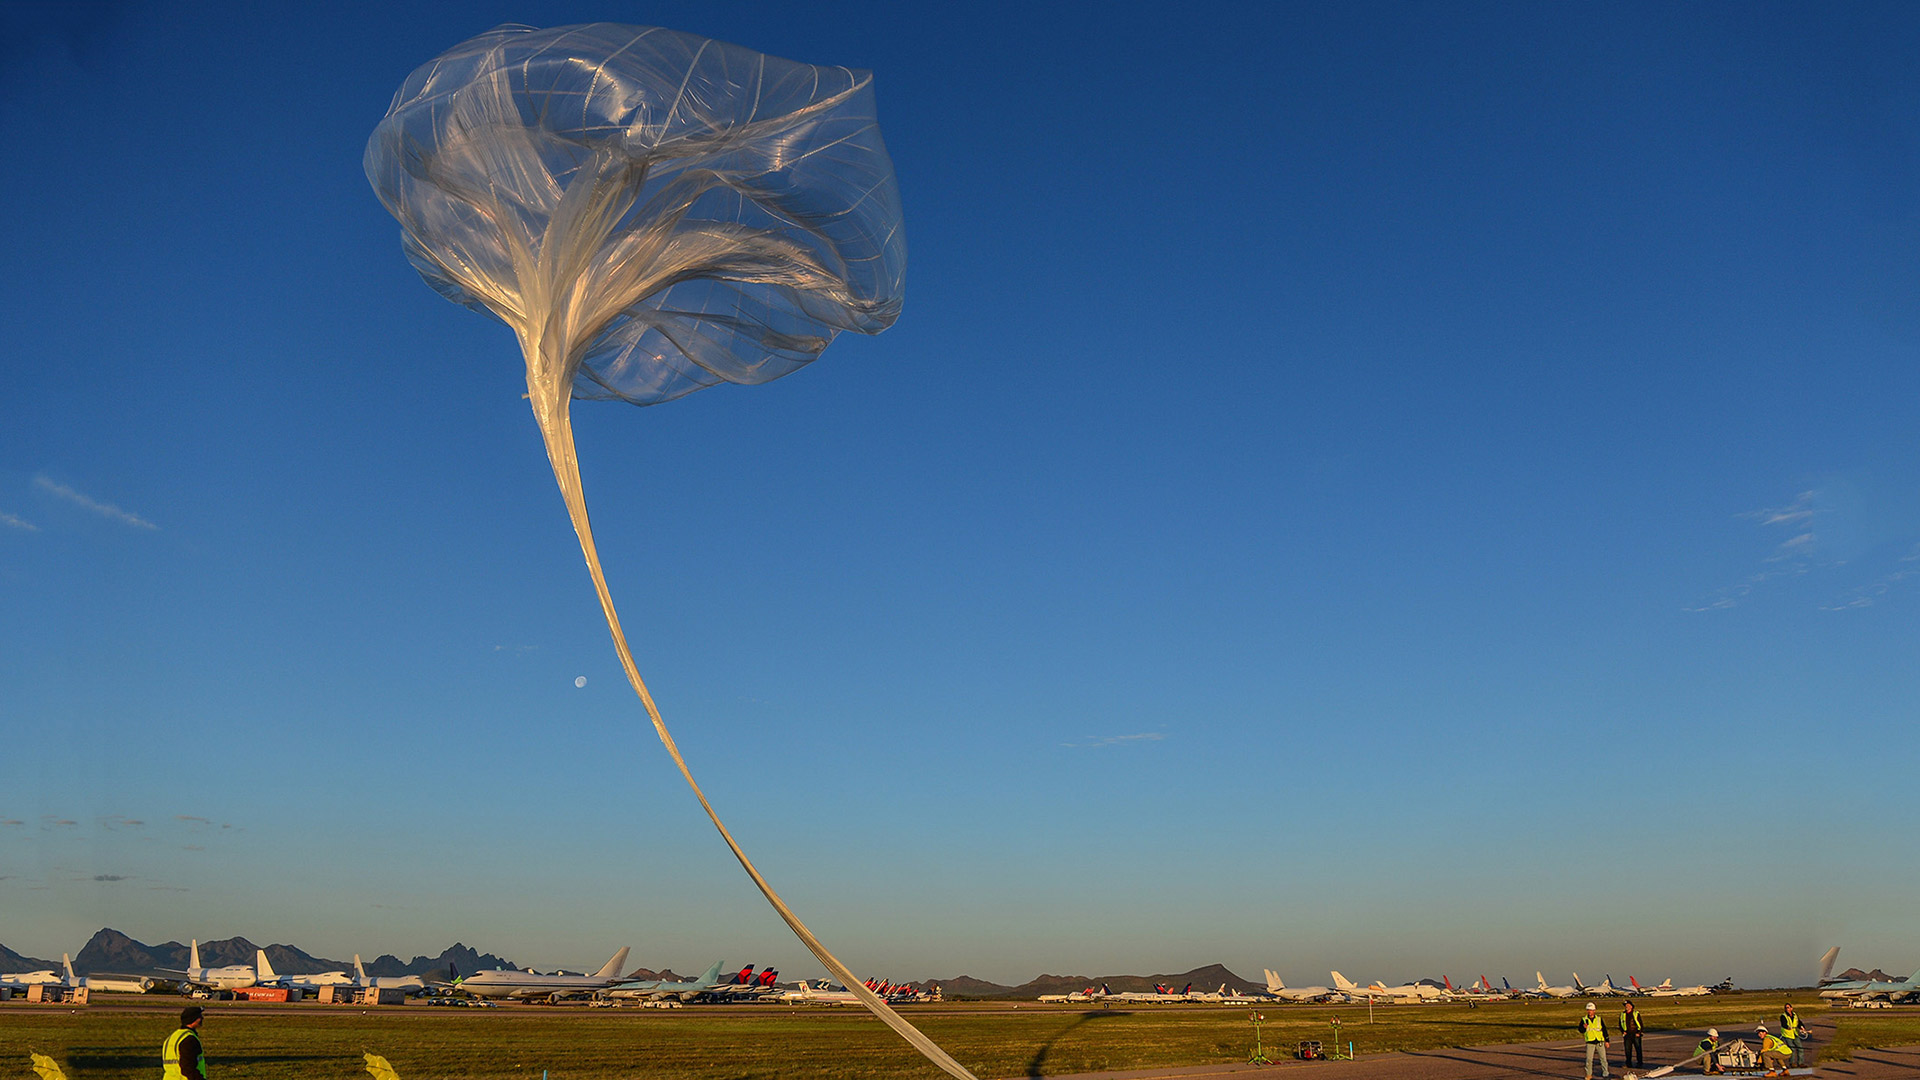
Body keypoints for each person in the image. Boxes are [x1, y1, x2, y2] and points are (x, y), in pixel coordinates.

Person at [161, 1006, 207, 1080]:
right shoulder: (189, 1039)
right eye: (199, 1017)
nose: (202, 1018)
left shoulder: (173, 1037)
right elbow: (187, 1067)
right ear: (193, 1019)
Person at [1579, 1001, 1610, 1080]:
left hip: (1599, 1041)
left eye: (1591, 1010)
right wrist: (1584, 1027)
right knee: (1589, 1060)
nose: (1590, 1012)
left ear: (1594, 1011)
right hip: (1590, 1042)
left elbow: (1604, 1030)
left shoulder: (1599, 1019)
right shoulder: (1584, 1019)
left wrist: (1607, 1040)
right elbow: (1580, 1030)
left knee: (1603, 1059)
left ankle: (1605, 1074)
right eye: (1588, 1010)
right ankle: (1589, 1075)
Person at [1620, 1000, 1646, 1069]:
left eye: (1628, 1005)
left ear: (1631, 1006)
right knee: (1627, 1050)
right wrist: (1623, 1031)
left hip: (1635, 1034)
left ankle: (1639, 1063)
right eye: (1625, 1006)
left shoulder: (1635, 1013)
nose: (1626, 1007)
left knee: (1638, 1049)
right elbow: (1620, 1024)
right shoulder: (1622, 1014)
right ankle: (1628, 1063)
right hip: (1627, 1034)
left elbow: (1640, 1023)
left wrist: (1639, 1032)